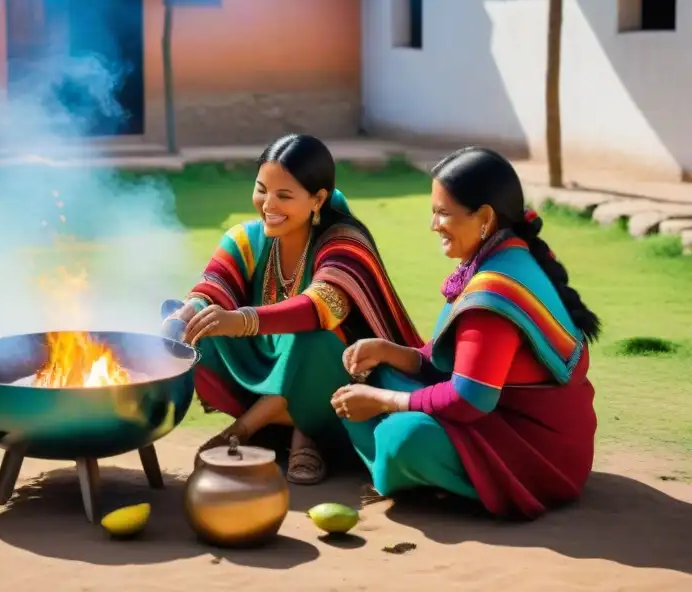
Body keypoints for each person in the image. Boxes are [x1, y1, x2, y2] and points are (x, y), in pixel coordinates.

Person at [332, 146, 599, 519]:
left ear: (485, 218)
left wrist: (382, 400)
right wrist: (388, 351)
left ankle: (423, 477)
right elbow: (452, 362)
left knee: (400, 438)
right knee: (378, 374)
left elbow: (469, 400)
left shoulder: (494, 291)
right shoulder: (501, 255)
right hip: (507, 420)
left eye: (443, 213)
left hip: (537, 457)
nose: (433, 225)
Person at [161, 134, 422, 485]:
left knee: (309, 339)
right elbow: (213, 286)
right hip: (263, 368)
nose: (268, 204)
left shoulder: (345, 240)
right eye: (261, 189)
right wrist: (187, 314)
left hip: (333, 373)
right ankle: (285, 423)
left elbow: (321, 308)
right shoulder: (246, 238)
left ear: (317, 199)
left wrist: (241, 321)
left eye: (284, 195)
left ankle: (269, 432)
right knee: (200, 330)